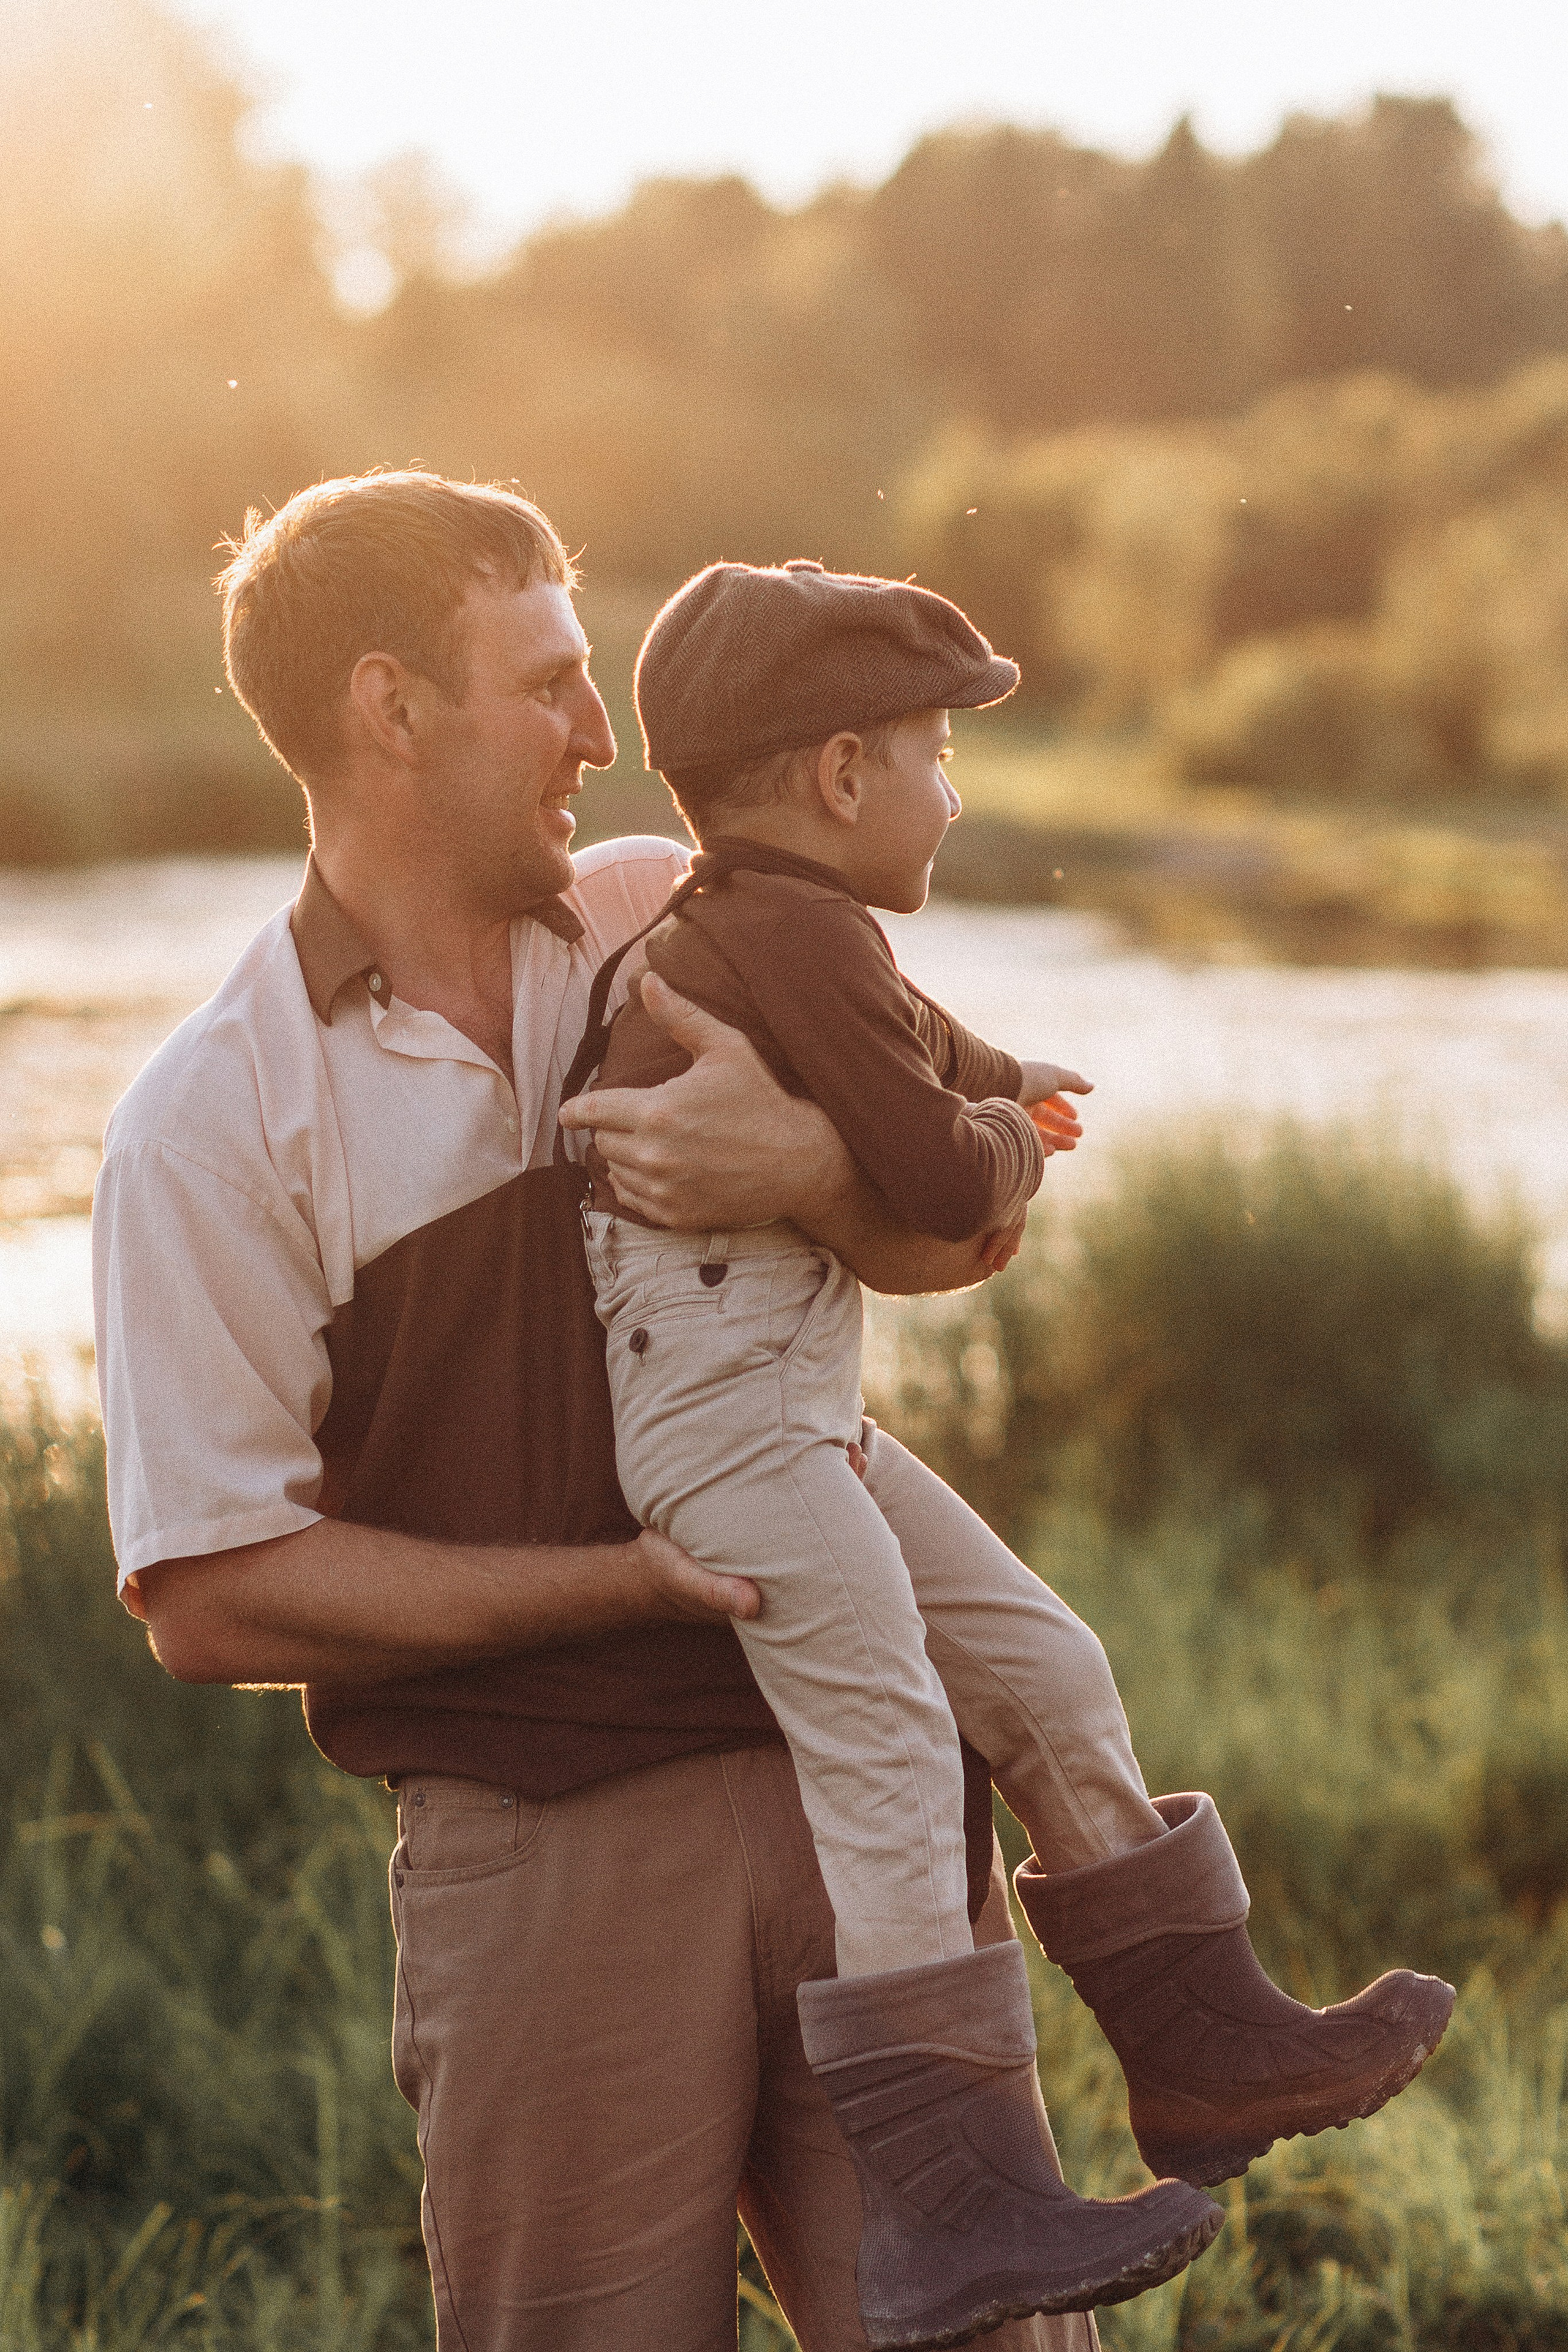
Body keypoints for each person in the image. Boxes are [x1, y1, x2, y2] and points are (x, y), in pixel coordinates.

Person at [94, 470, 1139, 2352]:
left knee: (996, 2340)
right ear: (390, 712)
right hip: (545, 1861)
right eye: (552, 684)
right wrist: (626, 1590)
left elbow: (956, 1218)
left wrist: (809, 1162)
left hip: (856, 1787)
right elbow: (211, 1599)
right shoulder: (212, 1121)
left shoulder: (680, 914)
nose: (606, 736)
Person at [563, 558, 1458, 2350]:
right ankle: (950, 2208)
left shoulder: (786, 929)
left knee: (1048, 1663)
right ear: (836, 775)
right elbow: (924, 1160)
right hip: (726, 1432)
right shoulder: (783, 938)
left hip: (786, 1411)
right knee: (894, 1747)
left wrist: (999, 1066)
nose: (952, 795)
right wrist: (1011, 1145)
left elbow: (911, 1048)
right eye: (931, 757)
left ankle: (1202, 2049)